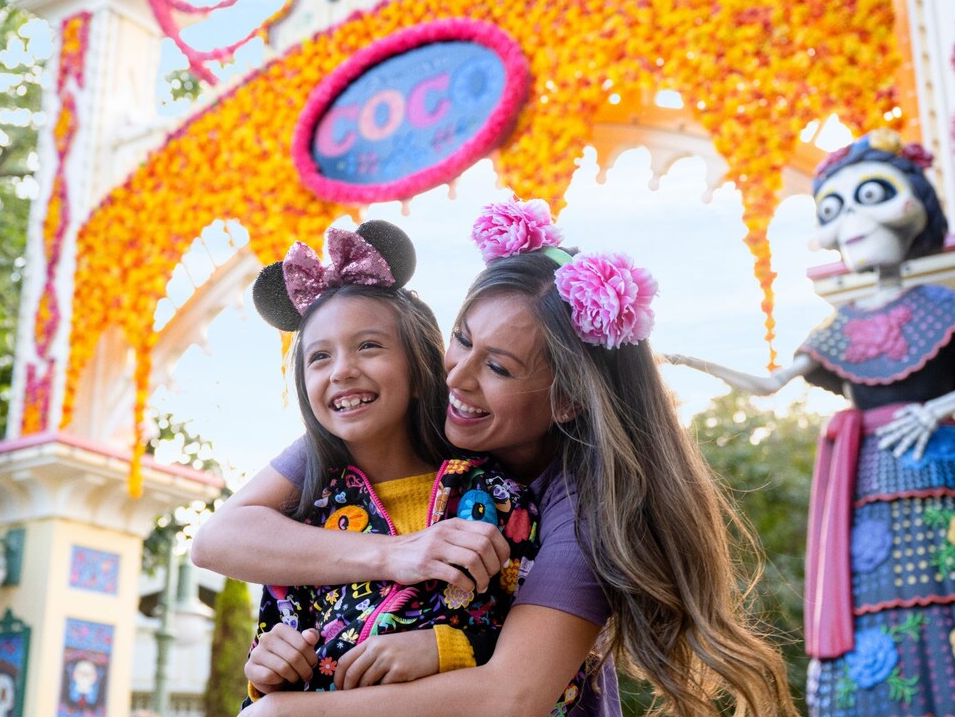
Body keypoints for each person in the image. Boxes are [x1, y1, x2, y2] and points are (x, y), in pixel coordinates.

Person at [193, 198, 796, 716]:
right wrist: (389, 558)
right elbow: (219, 540)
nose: (458, 376)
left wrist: (295, 709)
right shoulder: (393, 411)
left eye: (500, 367)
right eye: (462, 339)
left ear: (564, 399)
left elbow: (512, 695)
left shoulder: (582, 501)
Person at [669, 129, 955, 715]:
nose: (854, 220)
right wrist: (692, 360)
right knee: (877, 584)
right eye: (834, 208)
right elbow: (769, 384)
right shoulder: (836, 330)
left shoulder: (941, 305)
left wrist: (932, 410)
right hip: (869, 480)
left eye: (871, 196)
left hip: (939, 460)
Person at [241, 219, 544, 702]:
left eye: (368, 346)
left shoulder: (499, 499)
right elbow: (280, 671)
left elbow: (545, 672)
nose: (342, 370)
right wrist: (268, 673)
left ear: (421, 365)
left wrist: (449, 648)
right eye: (319, 358)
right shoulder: (302, 523)